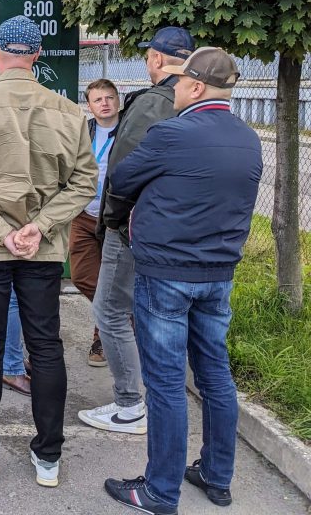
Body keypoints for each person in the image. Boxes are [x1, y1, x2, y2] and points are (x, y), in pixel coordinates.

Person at [0, 16, 97, 489]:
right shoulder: (69, 112)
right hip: (43, 249)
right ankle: (48, 458)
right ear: (38, 53)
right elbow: (84, 183)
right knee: (45, 345)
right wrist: (39, 226)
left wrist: (0, 230)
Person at [103, 48, 262, 515]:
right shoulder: (249, 138)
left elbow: (122, 177)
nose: (173, 90)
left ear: (194, 86)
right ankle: (216, 475)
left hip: (166, 273)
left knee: (167, 381)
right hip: (219, 274)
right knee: (214, 372)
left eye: (179, 83)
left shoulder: (171, 133)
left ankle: (159, 490)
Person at [79, 26, 194, 436]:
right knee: (158, 311)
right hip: (180, 230)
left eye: (148, 57)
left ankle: (130, 405)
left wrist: (109, 222)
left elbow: (123, 173)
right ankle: (161, 403)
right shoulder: (197, 101)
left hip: (132, 228)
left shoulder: (152, 103)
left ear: (158, 60)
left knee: (109, 310)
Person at [70, 78, 120, 367]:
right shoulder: (84, 131)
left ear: (118, 99)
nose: (104, 103)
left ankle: (101, 337)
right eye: (98, 99)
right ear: (89, 105)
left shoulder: (129, 130)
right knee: (82, 277)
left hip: (117, 218)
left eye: (109, 97)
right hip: (84, 214)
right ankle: (123, 317)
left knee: (113, 279)